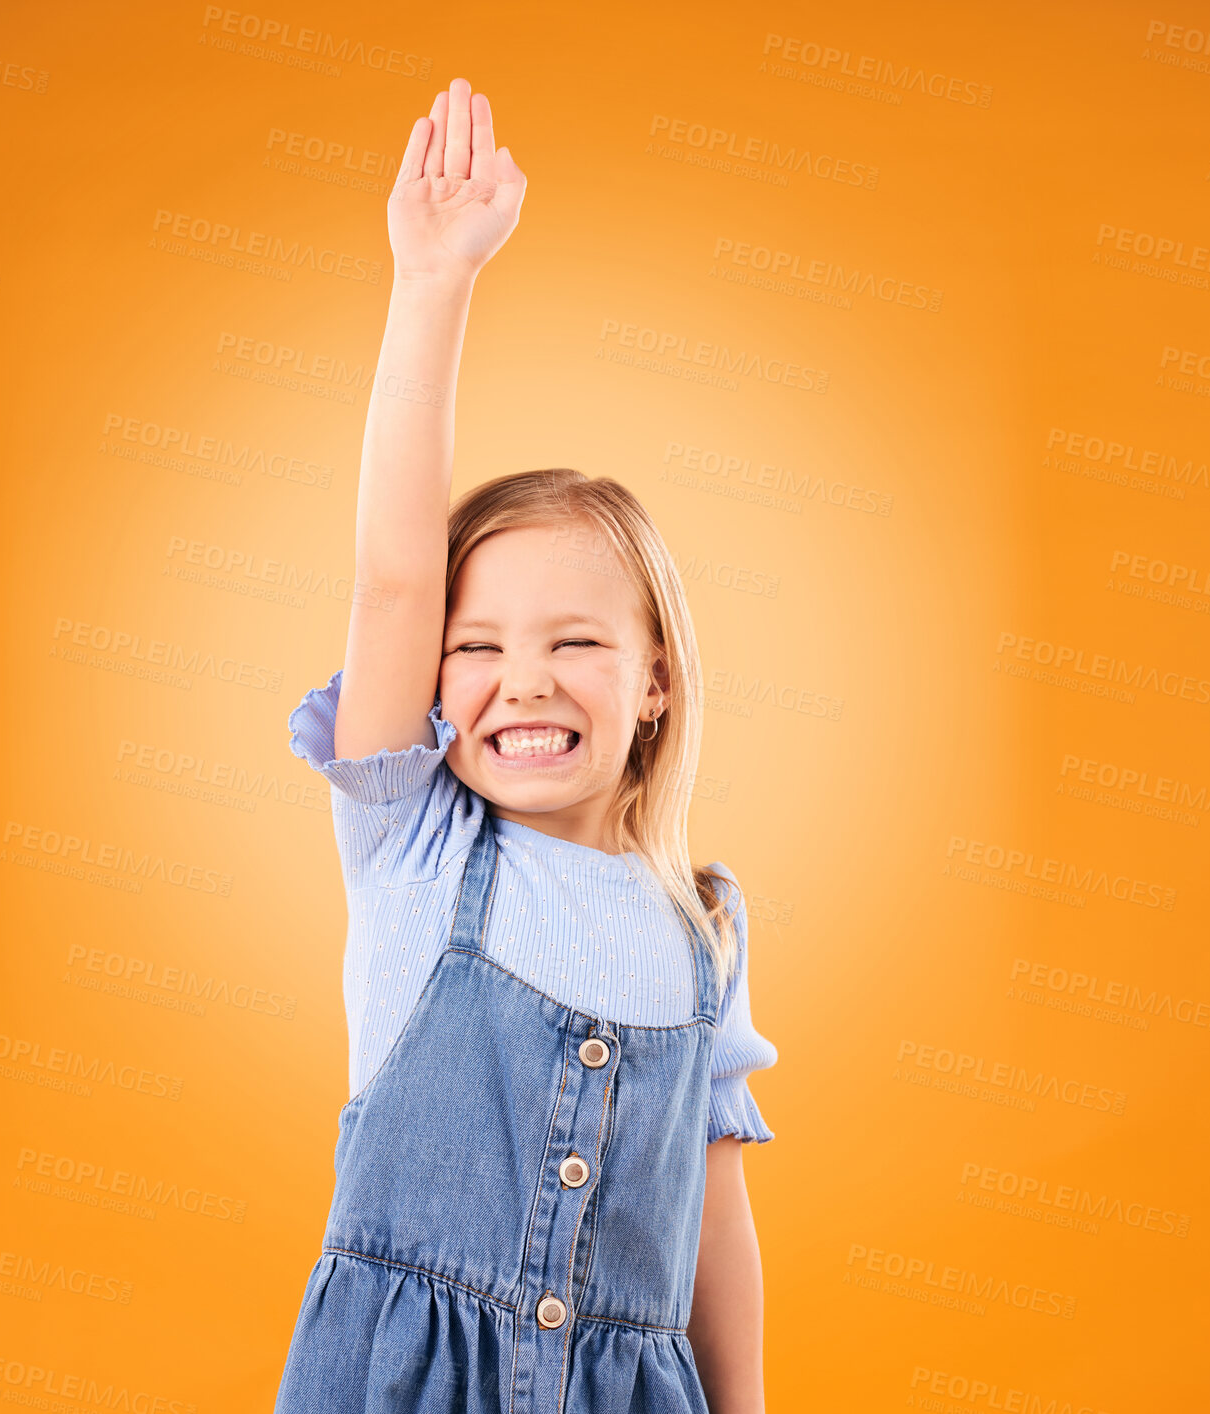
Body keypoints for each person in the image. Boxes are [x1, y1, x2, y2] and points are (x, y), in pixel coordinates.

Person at [275, 77, 778, 1414]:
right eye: (478, 644)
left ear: (655, 680)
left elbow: (714, 1223)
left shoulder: (704, 925)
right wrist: (432, 280)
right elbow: (392, 576)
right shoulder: (413, 840)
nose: (522, 680)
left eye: (576, 642)